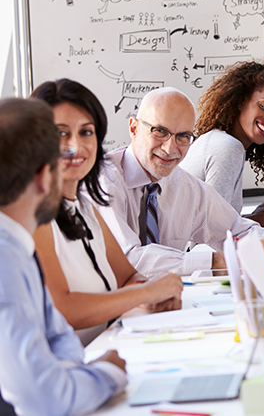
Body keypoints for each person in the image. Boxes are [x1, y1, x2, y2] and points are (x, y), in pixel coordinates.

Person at [30, 79, 183, 346]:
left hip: (110, 346)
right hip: (72, 369)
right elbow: (62, 309)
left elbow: (127, 276)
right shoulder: (34, 216)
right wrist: (145, 293)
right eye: (60, 133)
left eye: (86, 132)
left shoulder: (85, 205)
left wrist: (151, 296)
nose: (76, 146)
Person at [0, 98, 127, 415]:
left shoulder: (17, 246)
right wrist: (106, 374)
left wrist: (65, 376)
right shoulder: (5, 261)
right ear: (46, 176)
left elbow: (58, 333)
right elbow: (44, 399)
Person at [97, 87, 264, 278]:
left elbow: (240, 228)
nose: (170, 149)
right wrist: (221, 261)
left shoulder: (185, 187)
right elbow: (128, 260)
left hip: (169, 301)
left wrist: (262, 248)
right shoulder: (103, 182)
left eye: (183, 136)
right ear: (134, 128)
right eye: (159, 131)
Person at [181, 59, 264, 233]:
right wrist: (257, 222)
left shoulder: (219, 140)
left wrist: (255, 218)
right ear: (240, 100)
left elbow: (209, 224)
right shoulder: (227, 147)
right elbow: (208, 234)